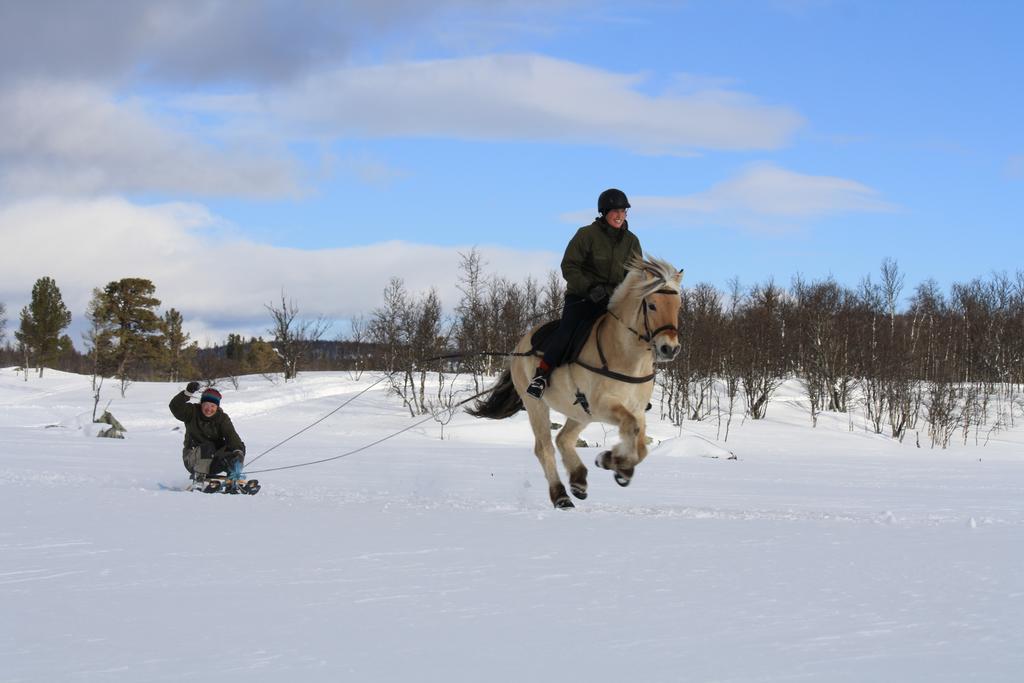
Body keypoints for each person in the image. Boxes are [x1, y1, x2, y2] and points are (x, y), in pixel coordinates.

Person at [527, 188, 643, 398]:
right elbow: (569, 266)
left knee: (635, 333)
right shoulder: (586, 235)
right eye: (615, 211)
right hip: (583, 297)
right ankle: (541, 375)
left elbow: (634, 274)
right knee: (567, 332)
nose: (620, 215)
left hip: (613, 301)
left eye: (623, 211)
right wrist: (589, 287)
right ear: (604, 212)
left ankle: (635, 387)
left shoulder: (632, 241)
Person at [169, 381, 246, 481]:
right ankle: (200, 477)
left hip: (213, 461)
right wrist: (188, 393)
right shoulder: (191, 412)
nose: (209, 409)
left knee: (237, 447)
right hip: (192, 459)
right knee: (208, 446)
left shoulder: (222, 418)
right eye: (206, 405)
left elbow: (231, 436)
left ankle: (233, 475)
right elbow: (175, 407)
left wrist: (238, 453)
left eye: (213, 406)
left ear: (217, 407)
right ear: (201, 404)